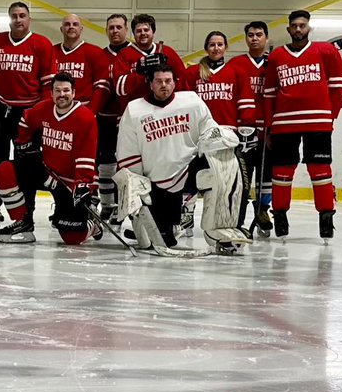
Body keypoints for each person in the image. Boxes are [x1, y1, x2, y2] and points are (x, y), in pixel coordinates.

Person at [115, 64, 245, 255]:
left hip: (190, 168)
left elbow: (209, 129)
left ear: (174, 82)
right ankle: (167, 225)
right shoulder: (134, 111)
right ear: (150, 84)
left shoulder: (192, 101)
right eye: (159, 81)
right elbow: (127, 153)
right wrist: (137, 186)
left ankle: (221, 229)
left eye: (168, 81)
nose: (164, 85)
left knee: (227, 162)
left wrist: (221, 137)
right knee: (159, 240)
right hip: (155, 182)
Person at [0, 2, 56, 238]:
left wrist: (43, 113)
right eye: (14, 16)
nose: (18, 20)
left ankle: (25, 215)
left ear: (29, 19)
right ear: (9, 19)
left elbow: (48, 84)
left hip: (28, 113)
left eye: (23, 16)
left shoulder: (42, 44)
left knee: (26, 167)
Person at [263, 10, 342, 241]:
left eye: (302, 25)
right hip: (283, 124)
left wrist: (330, 117)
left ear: (308, 27)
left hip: (317, 122)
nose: (298, 29)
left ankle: (326, 216)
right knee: (281, 172)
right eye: (294, 26)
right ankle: (279, 215)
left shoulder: (326, 51)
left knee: (320, 170)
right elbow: (269, 94)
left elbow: (339, 86)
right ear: (288, 29)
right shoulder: (278, 55)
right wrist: (269, 127)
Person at [0, 72, 100, 244]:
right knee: (5, 170)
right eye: (57, 90)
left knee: (72, 238)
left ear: (74, 92)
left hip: (70, 182)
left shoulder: (86, 118)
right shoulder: (44, 108)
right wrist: (24, 144)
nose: (61, 94)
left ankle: (92, 225)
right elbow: (25, 120)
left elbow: (86, 156)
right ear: (51, 93)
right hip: (47, 172)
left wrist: (82, 185)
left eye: (66, 90)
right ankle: (23, 221)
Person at [188, 31, 258, 234]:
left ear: (226, 48)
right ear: (206, 48)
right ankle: (186, 218)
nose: (216, 48)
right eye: (212, 44)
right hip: (201, 138)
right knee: (193, 179)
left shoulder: (237, 72)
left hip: (228, 139)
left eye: (220, 44)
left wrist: (247, 128)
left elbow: (245, 104)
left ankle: (234, 221)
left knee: (233, 185)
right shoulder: (193, 73)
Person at [226, 20, 272, 235]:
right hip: (244, 132)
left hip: (268, 130)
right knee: (243, 177)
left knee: (266, 176)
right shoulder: (235, 64)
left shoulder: (274, 62)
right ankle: (238, 216)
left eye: (259, 34)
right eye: (251, 35)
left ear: (266, 38)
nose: (254, 38)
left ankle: (263, 210)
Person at [97, 13, 131, 219]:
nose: (115, 31)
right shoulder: (100, 55)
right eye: (111, 28)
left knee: (127, 164)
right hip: (105, 118)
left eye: (119, 27)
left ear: (126, 30)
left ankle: (125, 205)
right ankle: (107, 204)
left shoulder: (135, 54)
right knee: (105, 163)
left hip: (130, 120)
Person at [53, 13, 110, 111]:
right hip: (56, 108)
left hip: (84, 108)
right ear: (61, 29)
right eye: (67, 24)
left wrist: (91, 111)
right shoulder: (51, 52)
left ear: (81, 29)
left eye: (75, 24)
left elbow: (102, 87)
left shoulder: (95, 52)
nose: (71, 27)